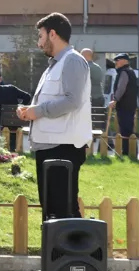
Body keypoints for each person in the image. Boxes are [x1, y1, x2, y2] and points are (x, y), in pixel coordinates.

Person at [16, 13, 90, 222]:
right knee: (53, 210)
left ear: (53, 34)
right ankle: (59, 252)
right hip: (52, 145)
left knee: (63, 211)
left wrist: (36, 111)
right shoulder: (56, 64)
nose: (39, 43)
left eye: (40, 36)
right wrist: (29, 110)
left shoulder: (72, 61)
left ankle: (71, 253)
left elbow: (72, 101)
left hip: (63, 147)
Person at [108, 53, 139, 156]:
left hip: (125, 105)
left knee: (126, 129)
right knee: (128, 128)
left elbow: (121, 88)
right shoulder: (130, 72)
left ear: (125, 61)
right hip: (130, 105)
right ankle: (131, 151)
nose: (116, 62)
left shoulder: (124, 72)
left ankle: (127, 152)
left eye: (118, 60)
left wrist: (115, 100)